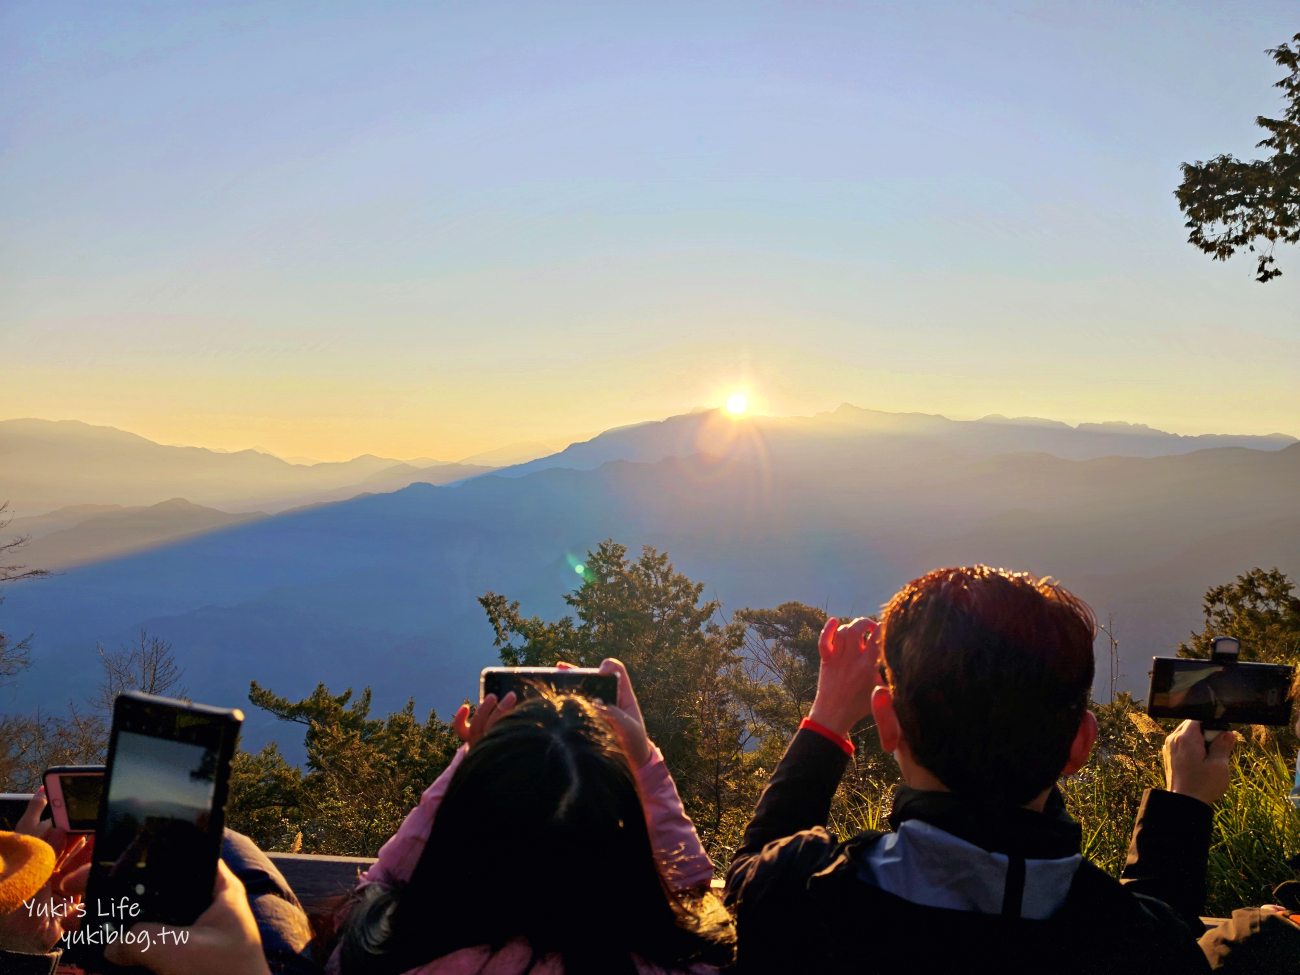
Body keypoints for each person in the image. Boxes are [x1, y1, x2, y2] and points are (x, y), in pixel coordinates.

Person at [726, 564, 1219, 975]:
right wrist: (1183, 807)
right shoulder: (1140, 941)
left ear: (886, 723)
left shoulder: (805, 892)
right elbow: (1159, 934)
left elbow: (748, 879)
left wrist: (828, 720)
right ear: (1081, 746)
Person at [331, 657, 734, 975]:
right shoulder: (688, 963)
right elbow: (690, 890)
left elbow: (380, 884)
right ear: (623, 843)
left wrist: (475, 759)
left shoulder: (386, 956)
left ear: (464, 826)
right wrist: (642, 759)